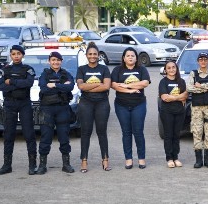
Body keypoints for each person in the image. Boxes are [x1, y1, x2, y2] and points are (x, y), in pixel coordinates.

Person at [0, 45, 37, 175]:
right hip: (9, 104)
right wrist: (18, 84)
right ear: (11, 56)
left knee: (29, 134)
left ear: (22, 55)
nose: (16, 56)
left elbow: (29, 83)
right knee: (8, 135)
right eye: (13, 54)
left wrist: (11, 82)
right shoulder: (4, 70)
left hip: (24, 104)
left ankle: (32, 165)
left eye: (19, 53)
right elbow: (1, 86)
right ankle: (7, 165)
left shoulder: (28, 69)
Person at [111, 47, 151, 170]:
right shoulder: (117, 70)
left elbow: (145, 83)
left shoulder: (141, 69)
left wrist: (126, 85)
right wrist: (132, 90)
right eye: (128, 55)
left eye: (132, 55)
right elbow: (114, 85)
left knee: (138, 132)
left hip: (138, 104)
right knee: (126, 132)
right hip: (121, 105)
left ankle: (141, 158)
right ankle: (128, 159)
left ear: (136, 57)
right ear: (124, 58)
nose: (130, 57)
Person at [37, 51, 76, 175]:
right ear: (49, 61)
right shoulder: (44, 74)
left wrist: (53, 85)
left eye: (58, 60)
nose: (56, 62)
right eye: (53, 60)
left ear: (61, 61)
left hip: (62, 108)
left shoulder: (66, 74)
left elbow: (70, 87)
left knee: (64, 137)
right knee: (46, 137)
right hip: (47, 109)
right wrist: (61, 86)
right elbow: (43, 88)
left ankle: (66, 164)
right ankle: (42, 165)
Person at [76, 42, 112, 172]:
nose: (92, 56)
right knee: (85, 132)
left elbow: (107, 86)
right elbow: (81, 86)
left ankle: (105, 160)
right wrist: (98, 84)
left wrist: (88, 86)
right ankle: (84, 161)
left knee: (102, 132)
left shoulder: (104, 69)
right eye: (90, 54)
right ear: (86, 55)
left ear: (98, 56)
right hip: (86, 103)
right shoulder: (81, 69)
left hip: (102, 103)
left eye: (95, 54)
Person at [186, 51, 208, 168]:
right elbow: (189, 88)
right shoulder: (193, 73)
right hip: (197, 107)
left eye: (205, 59)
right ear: (198, 61)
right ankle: (198, 160)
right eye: (201, 59)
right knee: (197, 132)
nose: (203, 61)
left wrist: (201, 86)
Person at [159, 60, 188, 168]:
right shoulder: (163, 82)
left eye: (173, 67)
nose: (171, 69)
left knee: (176, 135)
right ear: (165, 70)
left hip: (179, 112)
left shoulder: (181, 81)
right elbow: (164, 97)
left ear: (176, 68)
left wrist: (173, 98)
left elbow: (185, 96)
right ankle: (169, 158)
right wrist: (178, 97)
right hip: (167, 112)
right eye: (169, 68)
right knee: (168, 135)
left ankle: (175, 157)